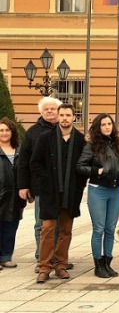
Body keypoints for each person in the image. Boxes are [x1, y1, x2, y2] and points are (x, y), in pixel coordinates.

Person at [30, 103, 87, 283]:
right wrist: (45, 182)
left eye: (68, 115)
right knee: (47, 229)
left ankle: (61, 265)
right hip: (50, 192)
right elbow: (35, 163)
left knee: (66, 230)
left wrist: (79, 187)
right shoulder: (45, 138)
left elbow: (83, 166)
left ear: (73, 117)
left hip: (70, 193)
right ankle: (44, 267)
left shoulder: (79, 140)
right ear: (58, 117)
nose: (64, 118)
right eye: (61, 115)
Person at [76, 114, 119, 278]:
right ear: (98, 127)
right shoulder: (91, 145)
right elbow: (80, 166)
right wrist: (95, 171)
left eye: (109, 124)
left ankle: (107, 262)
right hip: (98, 189)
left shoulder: (118, 143)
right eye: (103, 124)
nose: (107, 127)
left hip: (115, 190)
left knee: (110, 228)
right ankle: (98, 264)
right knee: (99, 229)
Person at [16, 96, 60, 267]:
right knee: (41, 223)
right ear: (41, 112)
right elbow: (23, 161)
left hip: (61, 187)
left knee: (58, 224)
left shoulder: (64, 130)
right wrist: (23, 185)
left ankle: (56, 257)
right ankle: (41, 257)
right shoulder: (32, 132)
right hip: (41, 187)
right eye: (46, 109)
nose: (49, 111)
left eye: (52, 109)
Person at [0, 118, 23, 269]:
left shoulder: (19, 150)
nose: (4, 133)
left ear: (12, 132)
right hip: (1, 193)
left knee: (11, 226)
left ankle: (6, 256)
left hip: (15, 196)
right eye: (1, 130)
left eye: (7, 130)